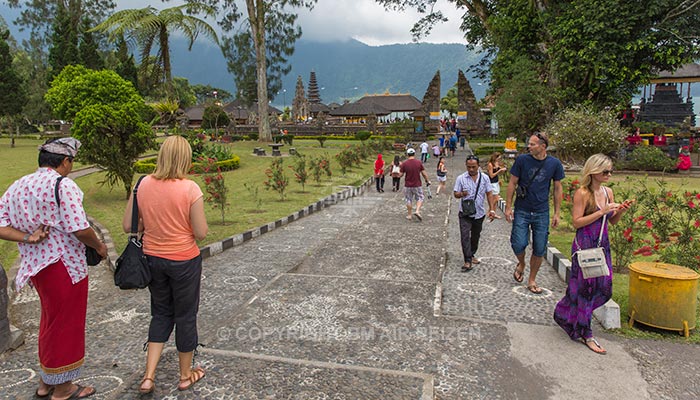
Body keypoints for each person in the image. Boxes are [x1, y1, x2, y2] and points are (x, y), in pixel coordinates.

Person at [0, 137, 107, 400]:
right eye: (71, 161)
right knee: (67, 324)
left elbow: (1, 224)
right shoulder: (62, 185)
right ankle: (63, 388)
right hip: (64, 265)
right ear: (65, 161)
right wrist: (100, 247)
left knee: (50, 320)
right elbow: (80, 228)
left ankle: (46, 381)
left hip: (37, 267)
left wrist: (27, 238)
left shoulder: (18, 186)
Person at [125, 136, 208, 394]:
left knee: (160, 313)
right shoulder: (190, 189)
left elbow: (129, 226)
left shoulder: (141, 185)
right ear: (185, 158)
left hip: (152, 259)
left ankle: (149, 376)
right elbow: (201, 232)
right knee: (185, 316)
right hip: (183, 259)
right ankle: (185, 374)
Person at [553, 154, 633, 354]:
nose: (609, 174)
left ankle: (565, 312)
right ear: (593, 171)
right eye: (605, 171)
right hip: (585, 244)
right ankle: (586, 332)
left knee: (604, 287)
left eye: (610, 171)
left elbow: (612, 221)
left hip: (602, 243)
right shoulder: (583, 193)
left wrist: (620, 210)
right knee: (586, 289)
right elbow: (577, 222)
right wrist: (601, 211)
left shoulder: (608, 192)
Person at [505, 132, 564, 294]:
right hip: (523, 208)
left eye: (532, 144)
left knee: (539, 248)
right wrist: (508, 206)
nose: (528, 147)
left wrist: (557, 213)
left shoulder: (554, 164)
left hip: (541, 211)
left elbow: (558, 188)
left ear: (543, 146)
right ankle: (522, 263)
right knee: (518, 243)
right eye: (529, 144)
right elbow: (512, 183)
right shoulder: (522, 160)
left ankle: (532, 279)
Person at [453, 155, 499, 271]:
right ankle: (467, 260)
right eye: (469, 167)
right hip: (465, 213)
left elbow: (489, 193)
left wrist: (492, 208)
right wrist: (462, 194)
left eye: (473, 167)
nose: (471, 169)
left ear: (478, 166)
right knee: (464, 236)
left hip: (479, 212)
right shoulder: (461, 178)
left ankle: (472, 253)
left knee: (475, 236)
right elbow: (455, 194)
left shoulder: (485, 178)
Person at [400, 148, 431, 221]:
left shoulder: (405, 163)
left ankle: (409, 215)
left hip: (408, 185)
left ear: (407, 154)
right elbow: (423, 173)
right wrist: (427, 180)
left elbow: (400, 175)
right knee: (420, 197)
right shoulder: (418, 163)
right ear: (414, 154)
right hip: (417, 184)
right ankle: (417, 211)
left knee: (408, 199)